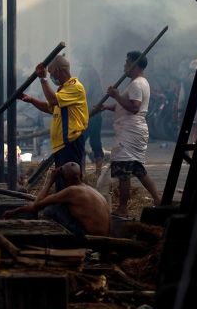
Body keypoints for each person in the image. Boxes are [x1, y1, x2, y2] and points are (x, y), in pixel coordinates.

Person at [95, 51, 162, 216]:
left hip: (130, 132)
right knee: (137, 169)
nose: (124, 66)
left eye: (127, 62)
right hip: (132, 130)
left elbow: (134, 107)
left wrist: (116, 95)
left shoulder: (137, 84)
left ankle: (123, 208)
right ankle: (158, 200)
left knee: (123, 171)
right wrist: (109, 107)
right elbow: (125, 106)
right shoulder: (139, 82)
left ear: (135, 65)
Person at [19, 55, 89, 189]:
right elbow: (50, 107)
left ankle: (71, 209)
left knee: (70, 184)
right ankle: (63, 208)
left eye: (51, 73)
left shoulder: (75, 87)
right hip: (61, 144)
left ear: (58, 70)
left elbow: (53, 100)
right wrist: (32, 100)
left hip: (70, 142)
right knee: (62, 183)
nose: (51, 77)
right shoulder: (63, 89)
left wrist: (43, 79)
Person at [3, 162, 110, 237]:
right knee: (60, 206)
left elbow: (37, 205)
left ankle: (58, 242)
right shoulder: (90, 189)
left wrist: (51, 180)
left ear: (63, 179)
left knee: (51, 209)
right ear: (81, 175)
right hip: (104, 234)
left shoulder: (71, 191)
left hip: (89, 237)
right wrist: (15, 211)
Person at [78, 62, 106, 179]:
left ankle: (82, 173)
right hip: (96, 112)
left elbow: (84, 91)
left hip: (88, 113)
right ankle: (98, 173)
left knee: (80, 142)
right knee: (95, 142)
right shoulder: (93, 70)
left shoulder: (85, 71)